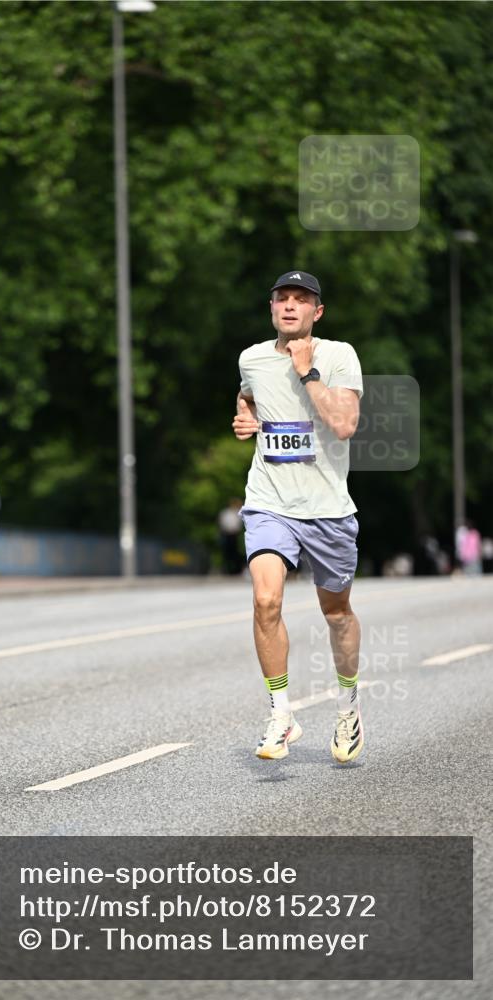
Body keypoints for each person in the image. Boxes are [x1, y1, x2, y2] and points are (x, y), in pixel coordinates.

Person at [232, 270, 364, 764]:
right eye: (281, 299)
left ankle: (348, 704)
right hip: (269, 499)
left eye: (301, 299)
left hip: (328, 509)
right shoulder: (253, 358)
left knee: (337, 613)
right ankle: (280, 713)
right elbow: (248, 394)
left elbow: (344, 424)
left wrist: (308, 371)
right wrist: (245, 415)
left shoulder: (338, 355)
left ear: (317, 311)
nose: (290, 306)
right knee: (266, 599)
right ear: (272, 309)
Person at [218, 498, 244, 575]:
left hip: (235, 535)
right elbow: (222, 523)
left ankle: (236, 570)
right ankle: (227, 569)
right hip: (226, 534)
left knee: (235, 553)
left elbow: (239, 524)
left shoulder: (237, 513)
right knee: (227, 553)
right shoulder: (225, 513)